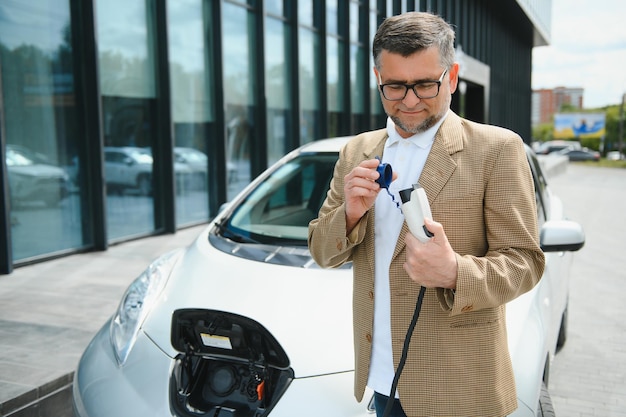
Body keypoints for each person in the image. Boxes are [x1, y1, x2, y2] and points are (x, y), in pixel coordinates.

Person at [308, 11, 545, 417]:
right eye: (396, 86)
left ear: (451, 77)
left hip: (458, 388)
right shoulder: (356, 152)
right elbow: (321, 252)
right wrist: (348, 214)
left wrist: (454, 271)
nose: (411, 100)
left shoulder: (497, 149)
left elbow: (525, 263)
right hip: (381, 380)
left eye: (425, 85)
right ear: (377, 77)